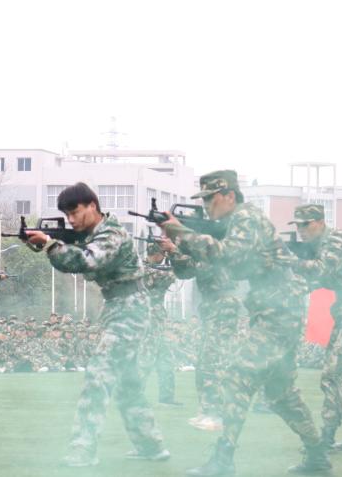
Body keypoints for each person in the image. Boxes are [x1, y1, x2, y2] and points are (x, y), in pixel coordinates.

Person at [163, 170, 329, 476]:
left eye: (210, 199)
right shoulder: (237, 222)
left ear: (229, 195)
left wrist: (181, 232)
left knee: (237, 376)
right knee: (281, 394)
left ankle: (223, 459)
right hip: (277, 310)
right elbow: (233, 267)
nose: (206, 206)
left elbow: (229, 257)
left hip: (278, 312)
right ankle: (318, 455)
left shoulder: (246, 218)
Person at [22, 182, 167, 468]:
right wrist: (49, 245)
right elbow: (73, 258)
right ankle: (151, 445)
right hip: (119, 306)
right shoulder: (91, 235)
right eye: (67, 215)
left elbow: (87, 261)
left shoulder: (111, 233)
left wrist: (50, 245)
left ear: (92, 205)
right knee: (127, 385)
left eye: (75, 212)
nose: (71, 219)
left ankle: (83, 449)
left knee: (98, 376)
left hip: (130, 308)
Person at [291, 203, 342, 452]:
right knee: (338, 377)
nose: (301, 230)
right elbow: (314, 280)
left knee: (334, 376)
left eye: (305, 224)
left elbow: (322, 270)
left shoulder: (334, 241)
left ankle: (327, 437)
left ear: (320, 222)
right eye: (297, 225)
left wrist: (289, 261)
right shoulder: (318, 246)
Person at [166, 223, 242, 433]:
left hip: (222, 307)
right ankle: (208, 411)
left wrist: (176, 248)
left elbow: (199, 268)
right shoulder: (207, 254)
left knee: (213, 361)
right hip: (213, 307)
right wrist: (174, 251)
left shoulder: (217, 254)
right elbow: (184, 272)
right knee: (205, 361)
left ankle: (216, 414)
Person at [139, 239, 179, 406]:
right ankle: (134, 397)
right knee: (145, 360)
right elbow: (170, 276)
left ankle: (166, 398)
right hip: (147, 321)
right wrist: (176, 257)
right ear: (156, 254)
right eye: (163, 255)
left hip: (157, 322)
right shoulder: (143, 269)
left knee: (166, 360)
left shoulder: (152, 268)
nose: (163, 258)